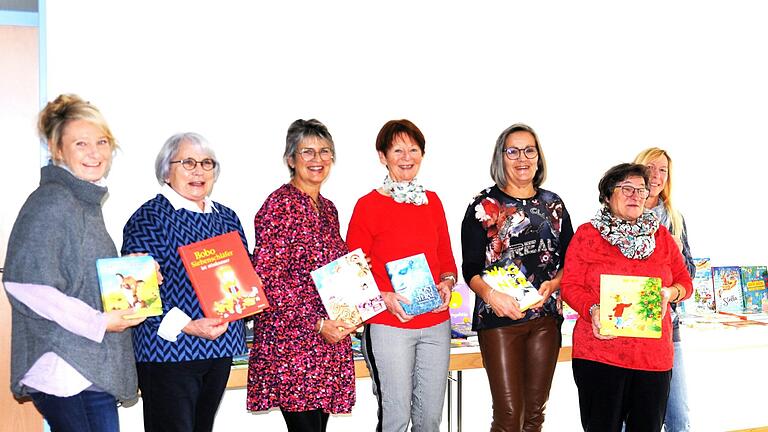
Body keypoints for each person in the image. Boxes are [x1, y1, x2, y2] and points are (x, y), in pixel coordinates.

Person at [3, 94, 145, 432]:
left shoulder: (83, 202)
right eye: (81, 143)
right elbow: (25, 284)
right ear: (57, 150)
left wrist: (128, 270)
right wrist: (99, 322)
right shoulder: (53, 200)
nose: (94, 152)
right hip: (65, 371)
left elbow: (78, 275)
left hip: (84, 369)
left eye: (102, 142)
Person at [122, 132, 250, 432]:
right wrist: (190, 325)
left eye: (207, 163)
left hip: (219, 348)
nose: (199, 171)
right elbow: (137, 293)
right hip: (168, 352)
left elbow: (243, 277)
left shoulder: (227, 218)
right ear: (167, 171)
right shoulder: (149, 218)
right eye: (188, 162)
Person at [561, 163, 693, 432]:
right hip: (600, 355)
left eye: (641, 190)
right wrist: (593, 309)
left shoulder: (661, 236)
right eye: (626, 189)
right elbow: (570, 286)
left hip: (653, 358)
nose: (635, 195)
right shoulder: (588, 234)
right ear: (608, 196)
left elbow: (685, 283)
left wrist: (670, 293)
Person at [461, 123, 574, 432]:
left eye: (529, 150)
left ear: (538, 157)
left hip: (545, 320)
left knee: (535, 414)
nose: (522, 158)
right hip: (499, 320)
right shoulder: (482, 206)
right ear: (501, 156)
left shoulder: (554, 204)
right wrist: (491, 296)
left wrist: (556, 282)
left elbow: (570, 260)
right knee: (509, 415)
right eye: (513, 150)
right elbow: (469, 268)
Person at [347, 119, 457, 432]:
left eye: (413, 149)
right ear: (383, 156)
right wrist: (384, 297)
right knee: (395, 419)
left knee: (430, 420)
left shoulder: (433, 202)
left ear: (422, 154)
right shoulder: (368, 206)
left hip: (436, 323)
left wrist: (447, 282)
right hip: (388, 325)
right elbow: (354, 273)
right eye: (398, 150)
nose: (406, 157)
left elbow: (446, 259)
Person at [247, 119, 356, 432]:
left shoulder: (329, 209)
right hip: (291, 343)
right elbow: (267, 280)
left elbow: (333, 272)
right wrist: (318, 324)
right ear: (290, 159)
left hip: (327, 342)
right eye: (307, 152)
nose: (317, 159)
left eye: (324, 152)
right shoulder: (277, 207)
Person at [633, 148, 695, 432]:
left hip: (669, 327)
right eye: (650, 168)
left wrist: (673, 252)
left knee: (679, 418)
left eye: (663, 170)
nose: (655, 176)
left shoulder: (675, 217)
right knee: (631, 417)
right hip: (630, 328)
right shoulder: (621, 212)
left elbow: (689, 273)